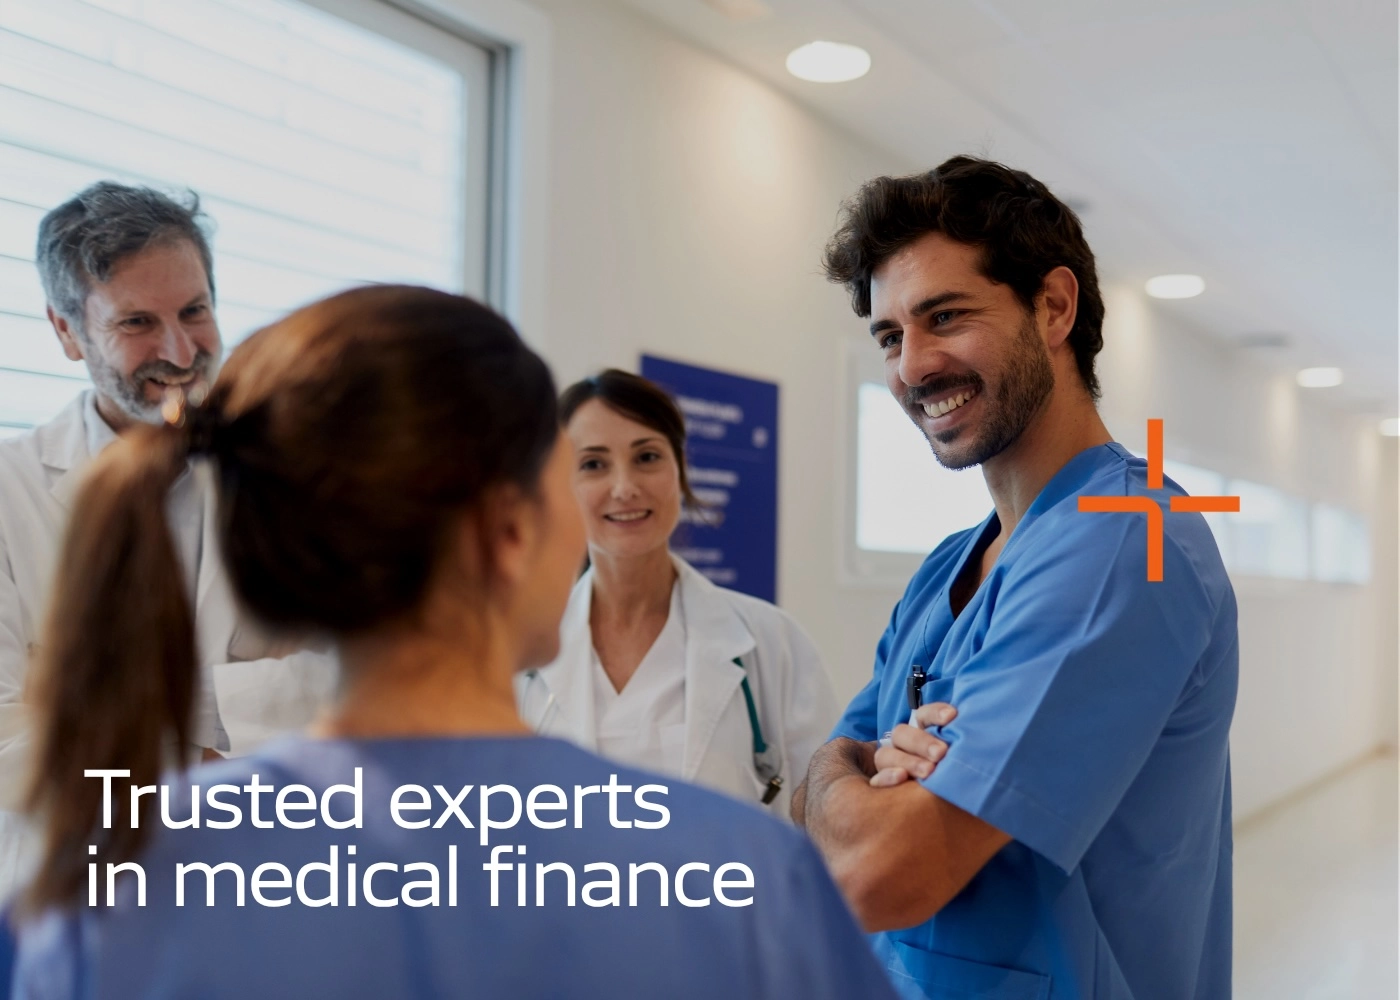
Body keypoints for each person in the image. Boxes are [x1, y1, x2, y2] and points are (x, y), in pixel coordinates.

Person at [11, 286, 895, 1000]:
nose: (613, 495)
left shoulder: (103, 885)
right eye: (572, 476)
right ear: (509, 533)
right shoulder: (739, 882)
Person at [793, 157, 1237, 1000]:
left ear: (1054, 306)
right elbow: (816, 812)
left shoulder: (1128, 540)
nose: (914, 366)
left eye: (946, 316)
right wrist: (839, 774)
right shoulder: (947, 569)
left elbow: (880, 872)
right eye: (890, 336)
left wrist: (849, 778)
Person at [0, 183, 335, 898]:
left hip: (261, 887)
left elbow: (344, 687)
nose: (180, 350)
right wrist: (227, 737)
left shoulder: (298, 473)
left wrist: (104, 718)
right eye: (137, 323)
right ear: (67, 332)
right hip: (76, 894)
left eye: (195, 311)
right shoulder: (10, 491)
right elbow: (7, 743)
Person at [517, 370, 835, 817]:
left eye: (647, 456)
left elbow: (823, 823)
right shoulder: (519, 657)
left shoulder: (772, 644)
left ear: (680, 468)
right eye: (593, 464)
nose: (624, 487)